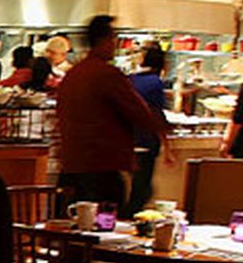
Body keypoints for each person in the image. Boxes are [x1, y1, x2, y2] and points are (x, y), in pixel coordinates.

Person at [55, 15, 167, 208]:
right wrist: (162, 127)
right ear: (104, 41)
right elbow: (140, 113)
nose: (114, 45)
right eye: (113, 39)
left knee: (70, 229)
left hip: (71, 164)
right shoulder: (107, 74)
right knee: (105, 230)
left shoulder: (72, 75)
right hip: (100, 167)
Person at [126, 45, 168, 216]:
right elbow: (157, 115)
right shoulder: (155, 83)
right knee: (142, 188)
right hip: (145, 140)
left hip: (126, 139)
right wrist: (167, 145)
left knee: (136, 185)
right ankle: (131, 219)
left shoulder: (131, 79)